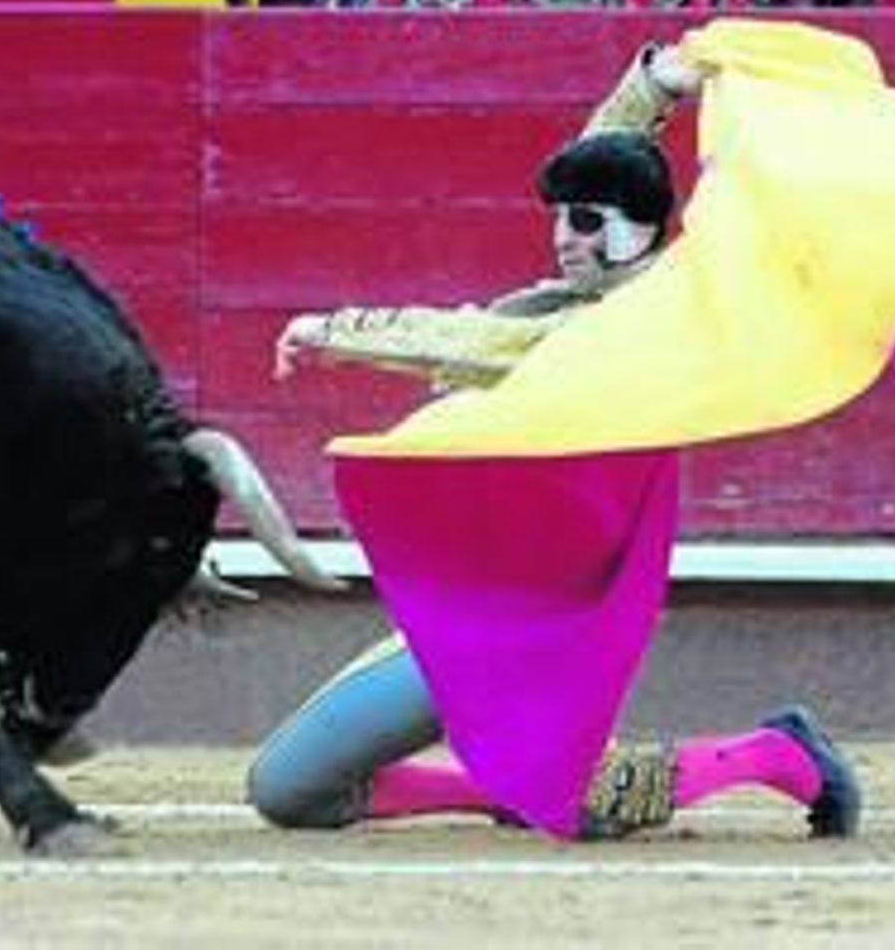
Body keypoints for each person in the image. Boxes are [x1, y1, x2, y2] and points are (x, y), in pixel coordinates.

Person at [249, 41, 863, 841]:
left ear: (639, 230)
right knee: (290, 789)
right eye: (559, 220)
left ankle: (779, 755)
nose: (564, 237)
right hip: (486, 599)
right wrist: (650, 89)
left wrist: (341, 330)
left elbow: (477, 346)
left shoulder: (650, 317)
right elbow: (605, 166)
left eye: (584, 223)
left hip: (560, 610)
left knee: (583, 808)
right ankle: (502, 785)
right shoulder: (602, 280)